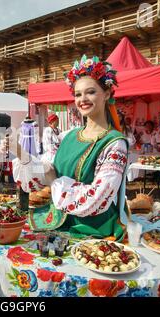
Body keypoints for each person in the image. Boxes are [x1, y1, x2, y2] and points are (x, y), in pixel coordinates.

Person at [11, 55, 129, 241]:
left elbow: (97, 198)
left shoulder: (114, 144)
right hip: (57, 223)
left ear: (107, 94)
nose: (83, 99)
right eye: (78, 94)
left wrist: (55, 183)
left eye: (90, 92)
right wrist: (20, 152)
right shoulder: (69, 135)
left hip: (93, 233)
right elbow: (46, 172)